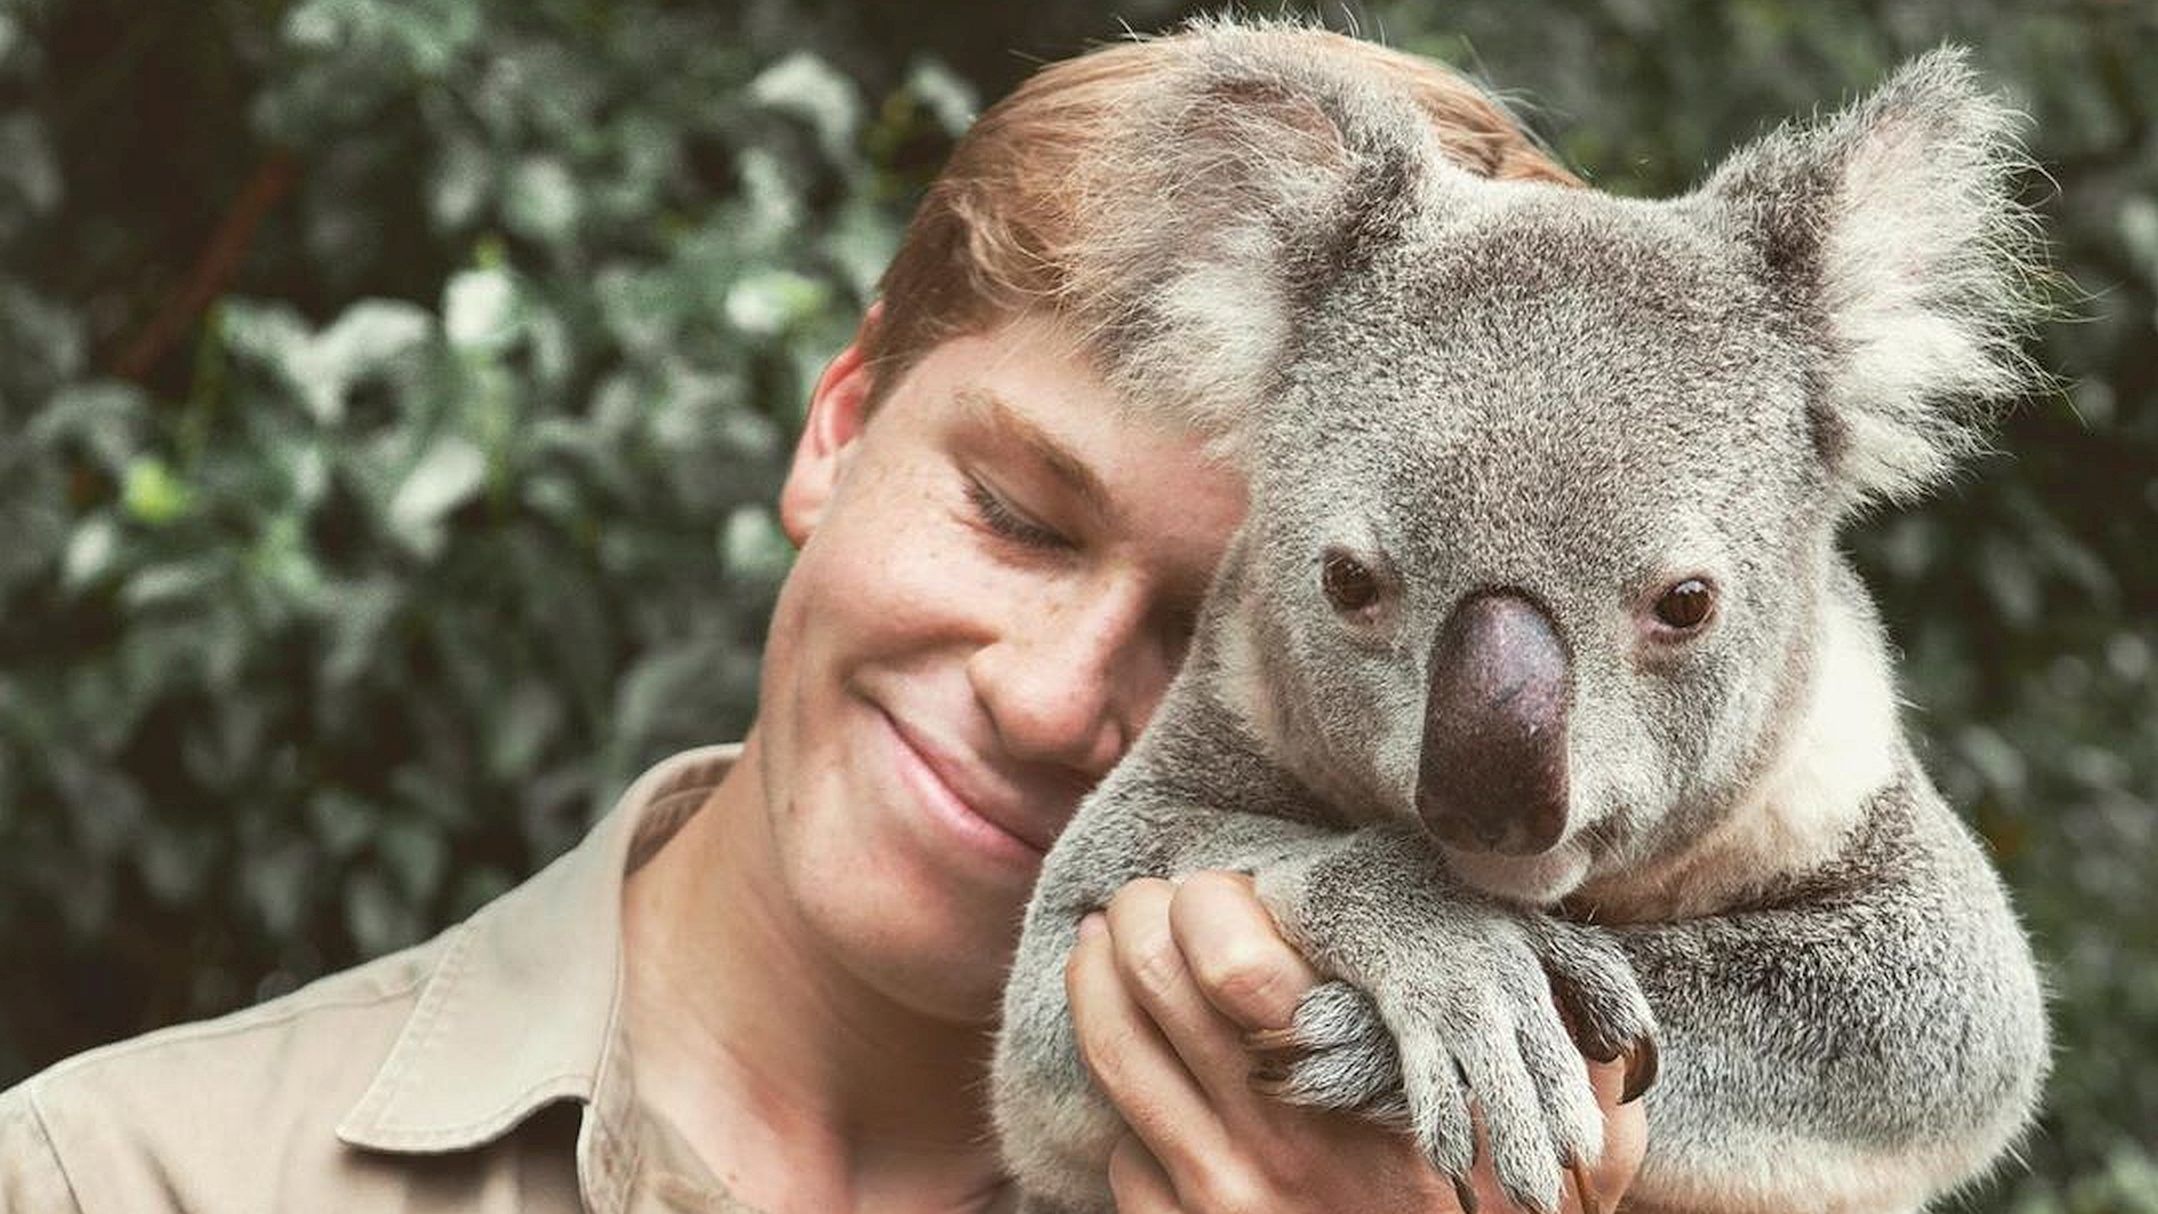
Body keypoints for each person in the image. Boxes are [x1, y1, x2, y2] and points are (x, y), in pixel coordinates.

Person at [0, 22, 1646, 1214]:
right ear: (839, 418)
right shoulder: (124, 1175)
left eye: (1232, 636)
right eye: (1012, 514)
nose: (1051, 697)